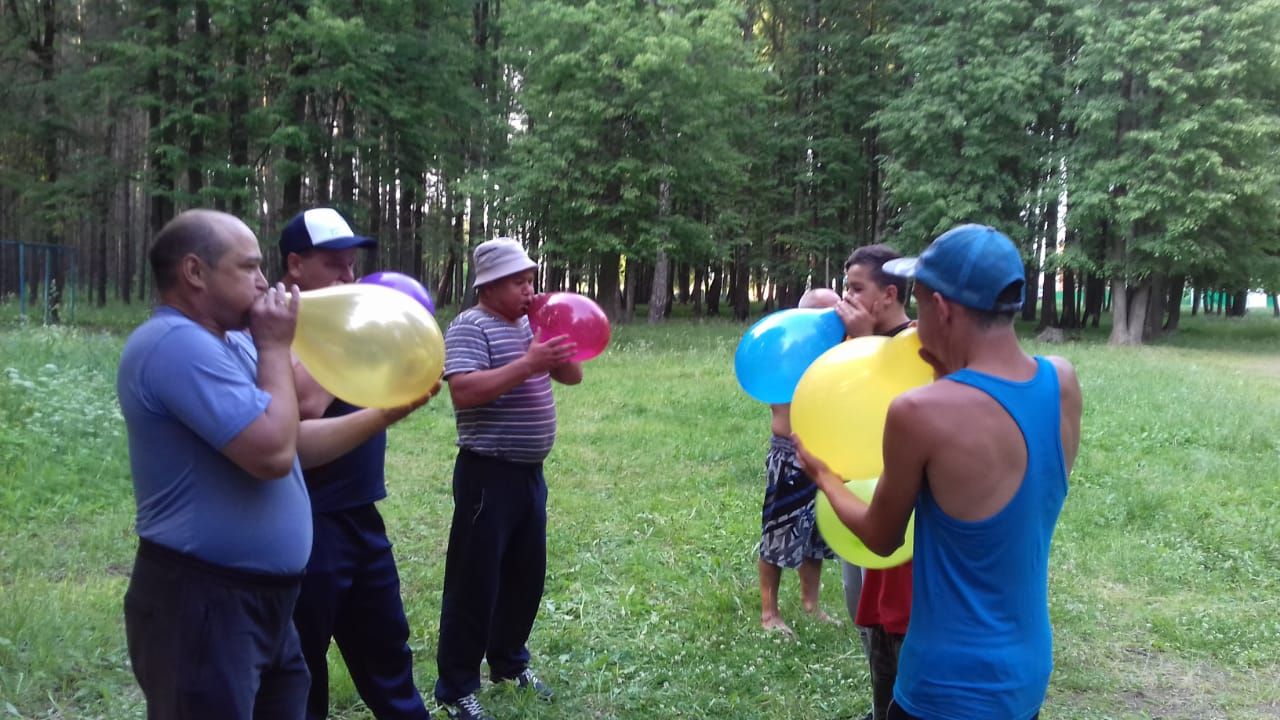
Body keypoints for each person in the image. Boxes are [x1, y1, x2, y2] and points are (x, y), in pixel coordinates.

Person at [796, 224, 1082, 720]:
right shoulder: (1062, 381)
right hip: (1026, 673)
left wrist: (825, 477)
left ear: (942, 309)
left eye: (920, 303)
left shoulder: (920, 412)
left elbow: (880, 538)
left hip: (943, 685)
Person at [117, 209, 310, 719]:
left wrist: (384, 409)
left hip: (262, 604)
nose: (265, 282)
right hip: (201, 602)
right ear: (194, 272)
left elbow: (295, 426)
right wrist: (274, 344)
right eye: (249, 268)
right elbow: (272, 453)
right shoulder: (173, 344)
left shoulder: (233, 343)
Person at [280, 208, 437, 720]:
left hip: (361, 513)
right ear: (295, 265)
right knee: (303, 661)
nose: (350, 278)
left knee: (387, 642)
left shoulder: (350, 319)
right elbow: (301, 413)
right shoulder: (275, 328)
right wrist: (351, 338)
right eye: (335, 266)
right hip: (306, 523)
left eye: (352, 266)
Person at [432, 237, 584, 720]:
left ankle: (508, 663)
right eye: (520, 281)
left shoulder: (529, 323)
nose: (529, 289)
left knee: (525, 575)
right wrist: (528, 363)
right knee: (474, 581)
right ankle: (456, 686)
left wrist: (550, 343)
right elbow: (465, 393)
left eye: (531, 280)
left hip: (528, 475)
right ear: (490, 284)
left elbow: (573, 376)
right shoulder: (469, 326)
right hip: (486, 475)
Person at [834, 244, 915, 720]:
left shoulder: (917, 345)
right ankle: (880, 705)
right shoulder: (851, 345)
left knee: (898, 620)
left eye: (855, 288)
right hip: (852, 499)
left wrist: (863, 347)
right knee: (864, 614)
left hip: (896, 511)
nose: (846, 297)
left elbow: (899, 415)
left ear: (888, 294)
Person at [759, 287, 842, 638]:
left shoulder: (840, 353)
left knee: (816, 534)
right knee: (779, 532)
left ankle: (811, 603)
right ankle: (769, 613)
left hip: (829, 452)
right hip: (790, 453)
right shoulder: (789, 353)